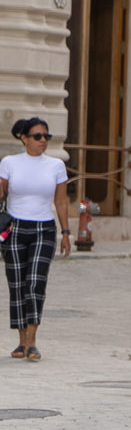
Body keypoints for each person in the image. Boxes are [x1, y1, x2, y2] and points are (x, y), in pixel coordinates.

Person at [1, 117, 71, 362]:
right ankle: (21, 342)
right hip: (15, 229)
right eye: (38, 136)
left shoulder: (56, 165)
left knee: (35, 283)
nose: (43, 141)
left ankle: (32, 341)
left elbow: (61, 201)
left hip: (44, 229)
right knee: (17, 284)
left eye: (46, 136)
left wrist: (66, 233)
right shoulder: (9, 163)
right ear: (24, 138)